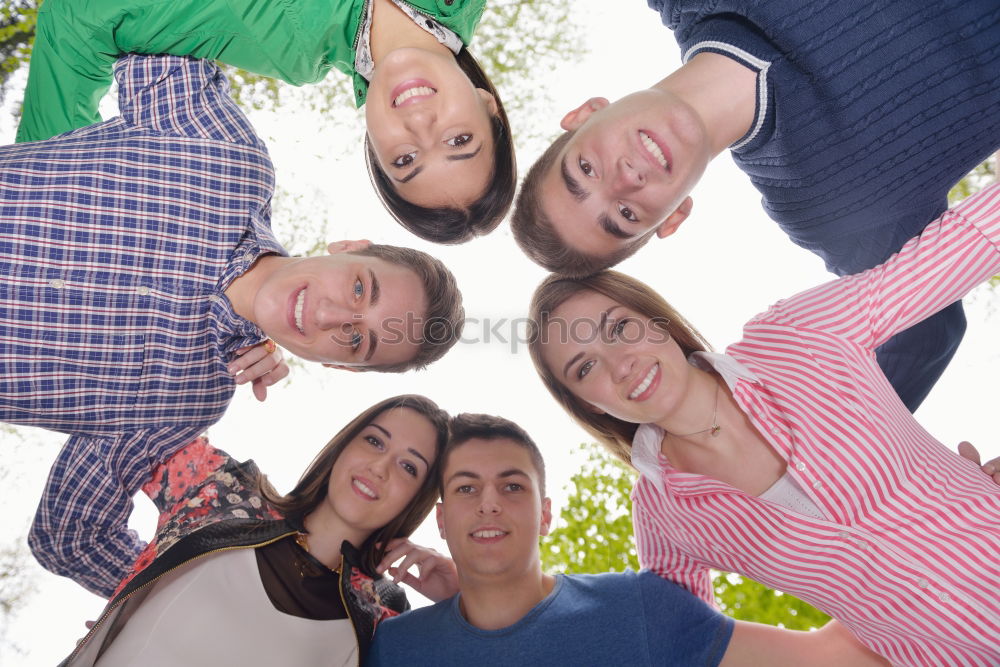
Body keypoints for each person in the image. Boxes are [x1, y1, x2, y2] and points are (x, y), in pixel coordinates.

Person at [1, 53, 464, 595]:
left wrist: (194, 617)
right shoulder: (226, 159)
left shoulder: (189, 400)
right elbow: (152, 22)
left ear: (339, 366)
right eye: (360, 287)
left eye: (357, 340)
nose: (331, 315)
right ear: (349, 246)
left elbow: (70, 536)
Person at [528, 183, 1000, 665]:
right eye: (584, 368)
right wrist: (506, 595)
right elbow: (678, 639)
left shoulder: (800, 335)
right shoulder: (663, 515)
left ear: (658, 323)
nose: (620, 363)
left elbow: (973, 239)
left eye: (620, 327)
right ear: (590, 406)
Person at [512, 0, 1000, 412]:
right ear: (674, 216)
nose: (624, 180)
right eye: (625, 217)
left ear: (584, 115)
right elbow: (923, 335)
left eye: (586, 171)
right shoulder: (826, 208)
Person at [368, 413, 888, 666]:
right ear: (440, 519)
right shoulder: (395, 646)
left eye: (512, 485)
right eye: (466, 488)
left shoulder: (640, 607)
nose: (489, 503)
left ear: (545, 514)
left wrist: (939, 517)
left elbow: (836, 656)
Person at [16, 0, 516, 244]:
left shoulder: (288, 46)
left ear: (374, 147)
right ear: (486, 103)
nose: (421, 126)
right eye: (458, 139)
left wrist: (36, 208)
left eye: (405, 159)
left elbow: (85, 17)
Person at [62, 394, 452, 665]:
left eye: (409, 467)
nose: (380, 467)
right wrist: (138, 585)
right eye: (373, 441)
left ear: (416, 497)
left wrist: (462, 598)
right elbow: (128, 411)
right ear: (344, 445)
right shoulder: (222, 492)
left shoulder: (384, 614)